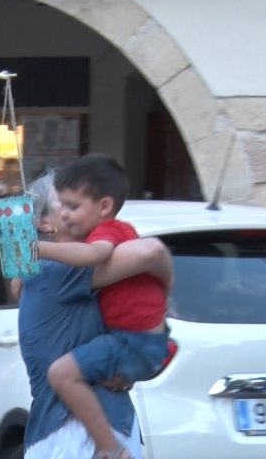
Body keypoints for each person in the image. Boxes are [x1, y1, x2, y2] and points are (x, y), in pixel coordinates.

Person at [19, 171, 172, 459]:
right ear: (45, 222)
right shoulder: (59, 271)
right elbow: (151, 253)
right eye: (65, 204)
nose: (75, 211)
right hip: (75, 435)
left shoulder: (47, 274)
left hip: (77, 433)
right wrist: (168, 281)